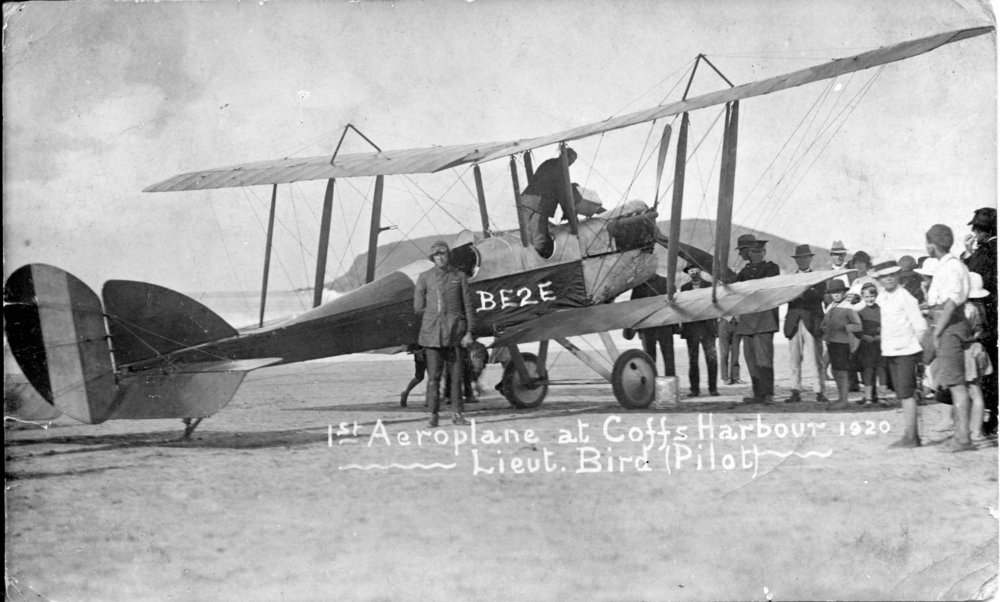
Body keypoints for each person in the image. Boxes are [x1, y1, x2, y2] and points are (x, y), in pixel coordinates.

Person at [414, 240, 476, 427]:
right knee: (433, 378)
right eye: (436, 255)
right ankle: (433, 416)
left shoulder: (460, 276)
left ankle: (457, 415)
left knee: (456, 377)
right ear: (432, 258)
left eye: (443, 254)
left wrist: (469, 332)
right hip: (433, 336)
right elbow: (417, 307)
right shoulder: (424, 278)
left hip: (455, 335)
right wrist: (435, 315)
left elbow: (468, 306)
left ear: (448, 255)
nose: (440, 257)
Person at [924, 224, 973, 451]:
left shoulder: (951, 267)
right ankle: (960, 435)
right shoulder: (948, 265)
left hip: (950, 326)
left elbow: (951, 303)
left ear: (933, 244)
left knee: (956, 384)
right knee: (954, 382)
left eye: (928, 243)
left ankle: (963, 438)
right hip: (948, 324)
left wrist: (937, 330)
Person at [874, 261, 928, 447]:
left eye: (892, 274)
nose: (888, 278)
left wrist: (914, 349)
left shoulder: (906, 297)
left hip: (907, 351)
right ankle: (911, 434)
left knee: (906, 394)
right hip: (890, 351)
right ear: (878, 279)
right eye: (883, 276)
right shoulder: (882, 298)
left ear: (898, 275)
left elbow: (920, 327)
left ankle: (911, 437)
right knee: (901, 394)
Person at [962, 207, 997, 437]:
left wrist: (968, 253)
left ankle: (991, 418)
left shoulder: (988, 251)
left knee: (988, 370)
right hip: (991, 313)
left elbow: (972, 275)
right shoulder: (988, 249)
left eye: (978, 228)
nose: (976, 231)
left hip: (988, 314)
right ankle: (990, 417)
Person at [735, 235, 781, 404]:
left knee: (764, 358)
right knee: (751, 358)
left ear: (764, 252)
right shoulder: (745, 271)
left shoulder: (771, 268)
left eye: (759, 251)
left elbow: (766, 285)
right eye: (753, 251)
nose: (756, 255)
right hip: (747, 321)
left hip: (764, 320)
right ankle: (757, 394)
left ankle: (768, 393)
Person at [784, 244, 828, 403]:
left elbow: (818, 296)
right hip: (794, 322)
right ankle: (795, 390)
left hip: (812, 322)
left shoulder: (819, 278)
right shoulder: (790, 279)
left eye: (805, 258)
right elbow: (788, 297)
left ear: (810, 259)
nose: (802, 261)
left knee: (816, 359)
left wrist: (800, 292)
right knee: (794, 359)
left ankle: (819, 391)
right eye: (800, 258)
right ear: (796, 260)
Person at [519, 147, 577, 258]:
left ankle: (527, 260)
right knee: (539, 237)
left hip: (525, 199)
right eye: (570, 161)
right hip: (538, 204)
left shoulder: (548, 163)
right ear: (565, 157)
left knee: (526, 237)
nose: (570, 164)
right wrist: (568, 213)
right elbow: (563, 194)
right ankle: (537, 264)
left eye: (572, 162)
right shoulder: (561, 170)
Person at [624, 272, 677, 377]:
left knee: (669, 358)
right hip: (647, 328)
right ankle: (651, 385)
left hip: (665, 326)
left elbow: (675, 304)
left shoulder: (666, 282)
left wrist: (674, 326)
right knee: (649, 359)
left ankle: (670, 384)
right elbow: (634, 306)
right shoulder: (639, 285)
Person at [821, 279, 863, 409]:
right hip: (832, 341)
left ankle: (843, 400)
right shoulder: (831, 306)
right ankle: (841, 398)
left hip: (843, 343)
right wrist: (823, 327)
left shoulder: (849, 307)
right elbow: (825, 323)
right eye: (833, 292)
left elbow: (858, 326)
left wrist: (844, 327)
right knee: (835, 371)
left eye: (838, 292)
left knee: (841, 371)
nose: (836, 295)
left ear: (844, 292)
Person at [679, 265, 719, 397]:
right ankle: (694, 389)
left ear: (700, 271)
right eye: (691, 271)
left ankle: (712, 388)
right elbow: (682, 307)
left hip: (708, 328)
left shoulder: (710, 286)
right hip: (692, 329)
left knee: (711, 358)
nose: (694, 273)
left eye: (696, 270)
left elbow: (716, 304)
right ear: (688, 273)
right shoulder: (684, 288)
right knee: (693, 359)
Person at [964, 273, 992, 441]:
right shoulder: (979, 308)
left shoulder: (967, 309)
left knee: (974, 392)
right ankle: (975, 428)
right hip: (978, 350)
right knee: (976, 390)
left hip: (969, 352)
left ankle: (976, 430)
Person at [855, 282, 886, 406]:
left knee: (882, 370)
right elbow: (856, 330)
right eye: (866, 297)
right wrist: (864, 336)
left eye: (872, 296)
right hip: (867, 346)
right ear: (862, 297)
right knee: (868, 371)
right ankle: (868, 397)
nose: (869, 299)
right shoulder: (860, 313)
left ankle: (882, 397)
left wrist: (881, 336)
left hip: (880, 346)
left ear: (876, 296)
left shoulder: (882, 311)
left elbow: (888, 325)